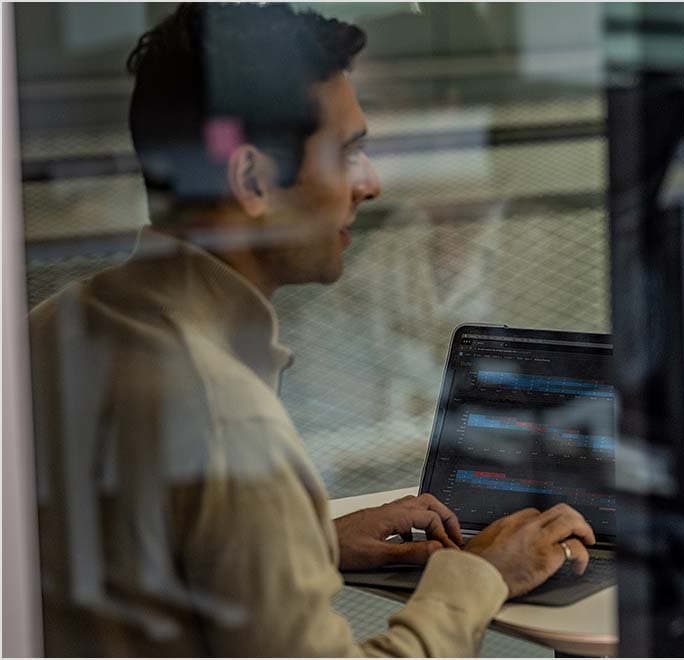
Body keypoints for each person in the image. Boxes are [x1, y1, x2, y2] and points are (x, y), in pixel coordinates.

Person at [27, 3, 595, 656]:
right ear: (250, 179)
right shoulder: (230, 424)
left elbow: (136, 562)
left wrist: (315, 540)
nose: (371, 183)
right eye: (349, 150)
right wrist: (480, 576)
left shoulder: (52, 330)